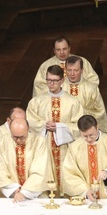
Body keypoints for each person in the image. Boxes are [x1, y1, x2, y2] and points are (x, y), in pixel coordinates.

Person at [26, 65, 84, 195]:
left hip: (65, 149)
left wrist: (59, 127)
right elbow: (30, 121)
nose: (51, 83)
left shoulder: (72, 102)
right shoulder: (37, 101)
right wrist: (44, 124)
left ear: (62, 80)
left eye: (55, 80)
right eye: (48, 80)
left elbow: (79, 126)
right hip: (44, 147)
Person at [63, 115, 107, 200]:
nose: (89, 139)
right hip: (86, 199)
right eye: (85, 136)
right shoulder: (74, 147)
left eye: (91, 135)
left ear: (97, 127)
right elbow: (69, 173)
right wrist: (85, 191)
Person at [0, 118, 51, 202]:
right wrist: (14, 189)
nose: (18, 140)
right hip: (10, 195)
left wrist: (24, 192)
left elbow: (40, 170)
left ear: (28, 128)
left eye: (22, 137)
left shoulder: (39, 142)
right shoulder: (2, 142)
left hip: (35, 194)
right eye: (15, 137)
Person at [33, 36, 100, 97]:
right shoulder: (46, 66)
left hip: (80, 98)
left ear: (69, 48)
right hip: (57, 100)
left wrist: (81, 90)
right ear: (54, 51)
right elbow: (39, 86)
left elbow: (93, 80)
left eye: (64, 49)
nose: (62, 52)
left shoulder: (82, 61)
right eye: (58, 50)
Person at [62, 56, 107, 133]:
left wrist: (80, 113)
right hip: (65, 131)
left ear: (82, 71)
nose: (72, 74)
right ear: (65, 70)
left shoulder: (91, 88)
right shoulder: (60, 88)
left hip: (86, 130)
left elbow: (99, 112)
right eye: (69, 70)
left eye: (75, 70)